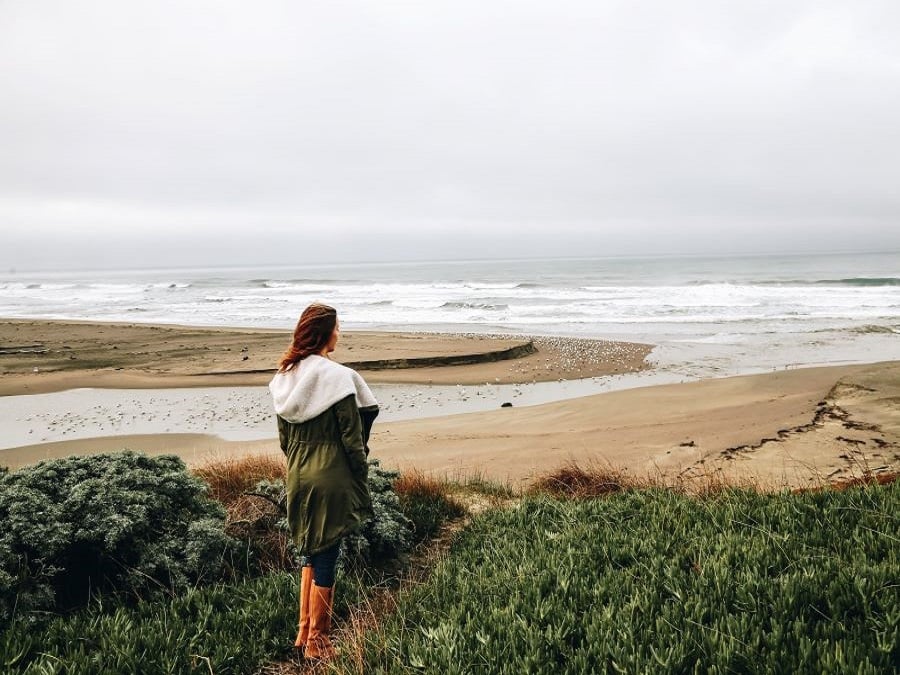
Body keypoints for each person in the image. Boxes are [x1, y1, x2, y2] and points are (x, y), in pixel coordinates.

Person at [269, 303, 379, 660]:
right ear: (324, 332)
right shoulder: (337, 377)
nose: (339, 333)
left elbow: (285, 442)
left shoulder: (285, 378)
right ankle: (319, 641)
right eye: (336, 327)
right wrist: (360, 476)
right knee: (329, 553)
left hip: (297, 475)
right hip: (331, 475)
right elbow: (352, 440)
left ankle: (303, 633)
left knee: (311, 551)